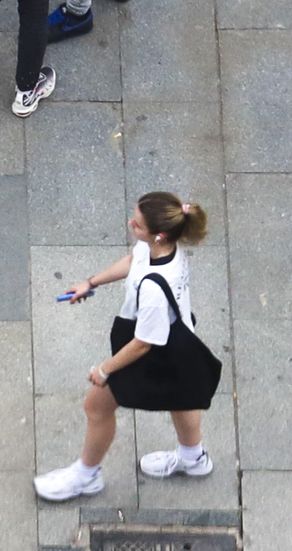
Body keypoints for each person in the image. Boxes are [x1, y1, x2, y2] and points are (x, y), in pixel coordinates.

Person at [31, 192, 219, 498]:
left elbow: (144, 343)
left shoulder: (155, 290)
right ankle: (193, 458)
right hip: (179, 341)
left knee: (96, 406)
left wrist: (104, 370)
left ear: (158, 234)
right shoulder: (160, 246)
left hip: (154, 351)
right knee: (183, 397)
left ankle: (87, 476)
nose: (131, 223)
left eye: (138, 224)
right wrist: (91, 282)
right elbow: (133, 260)